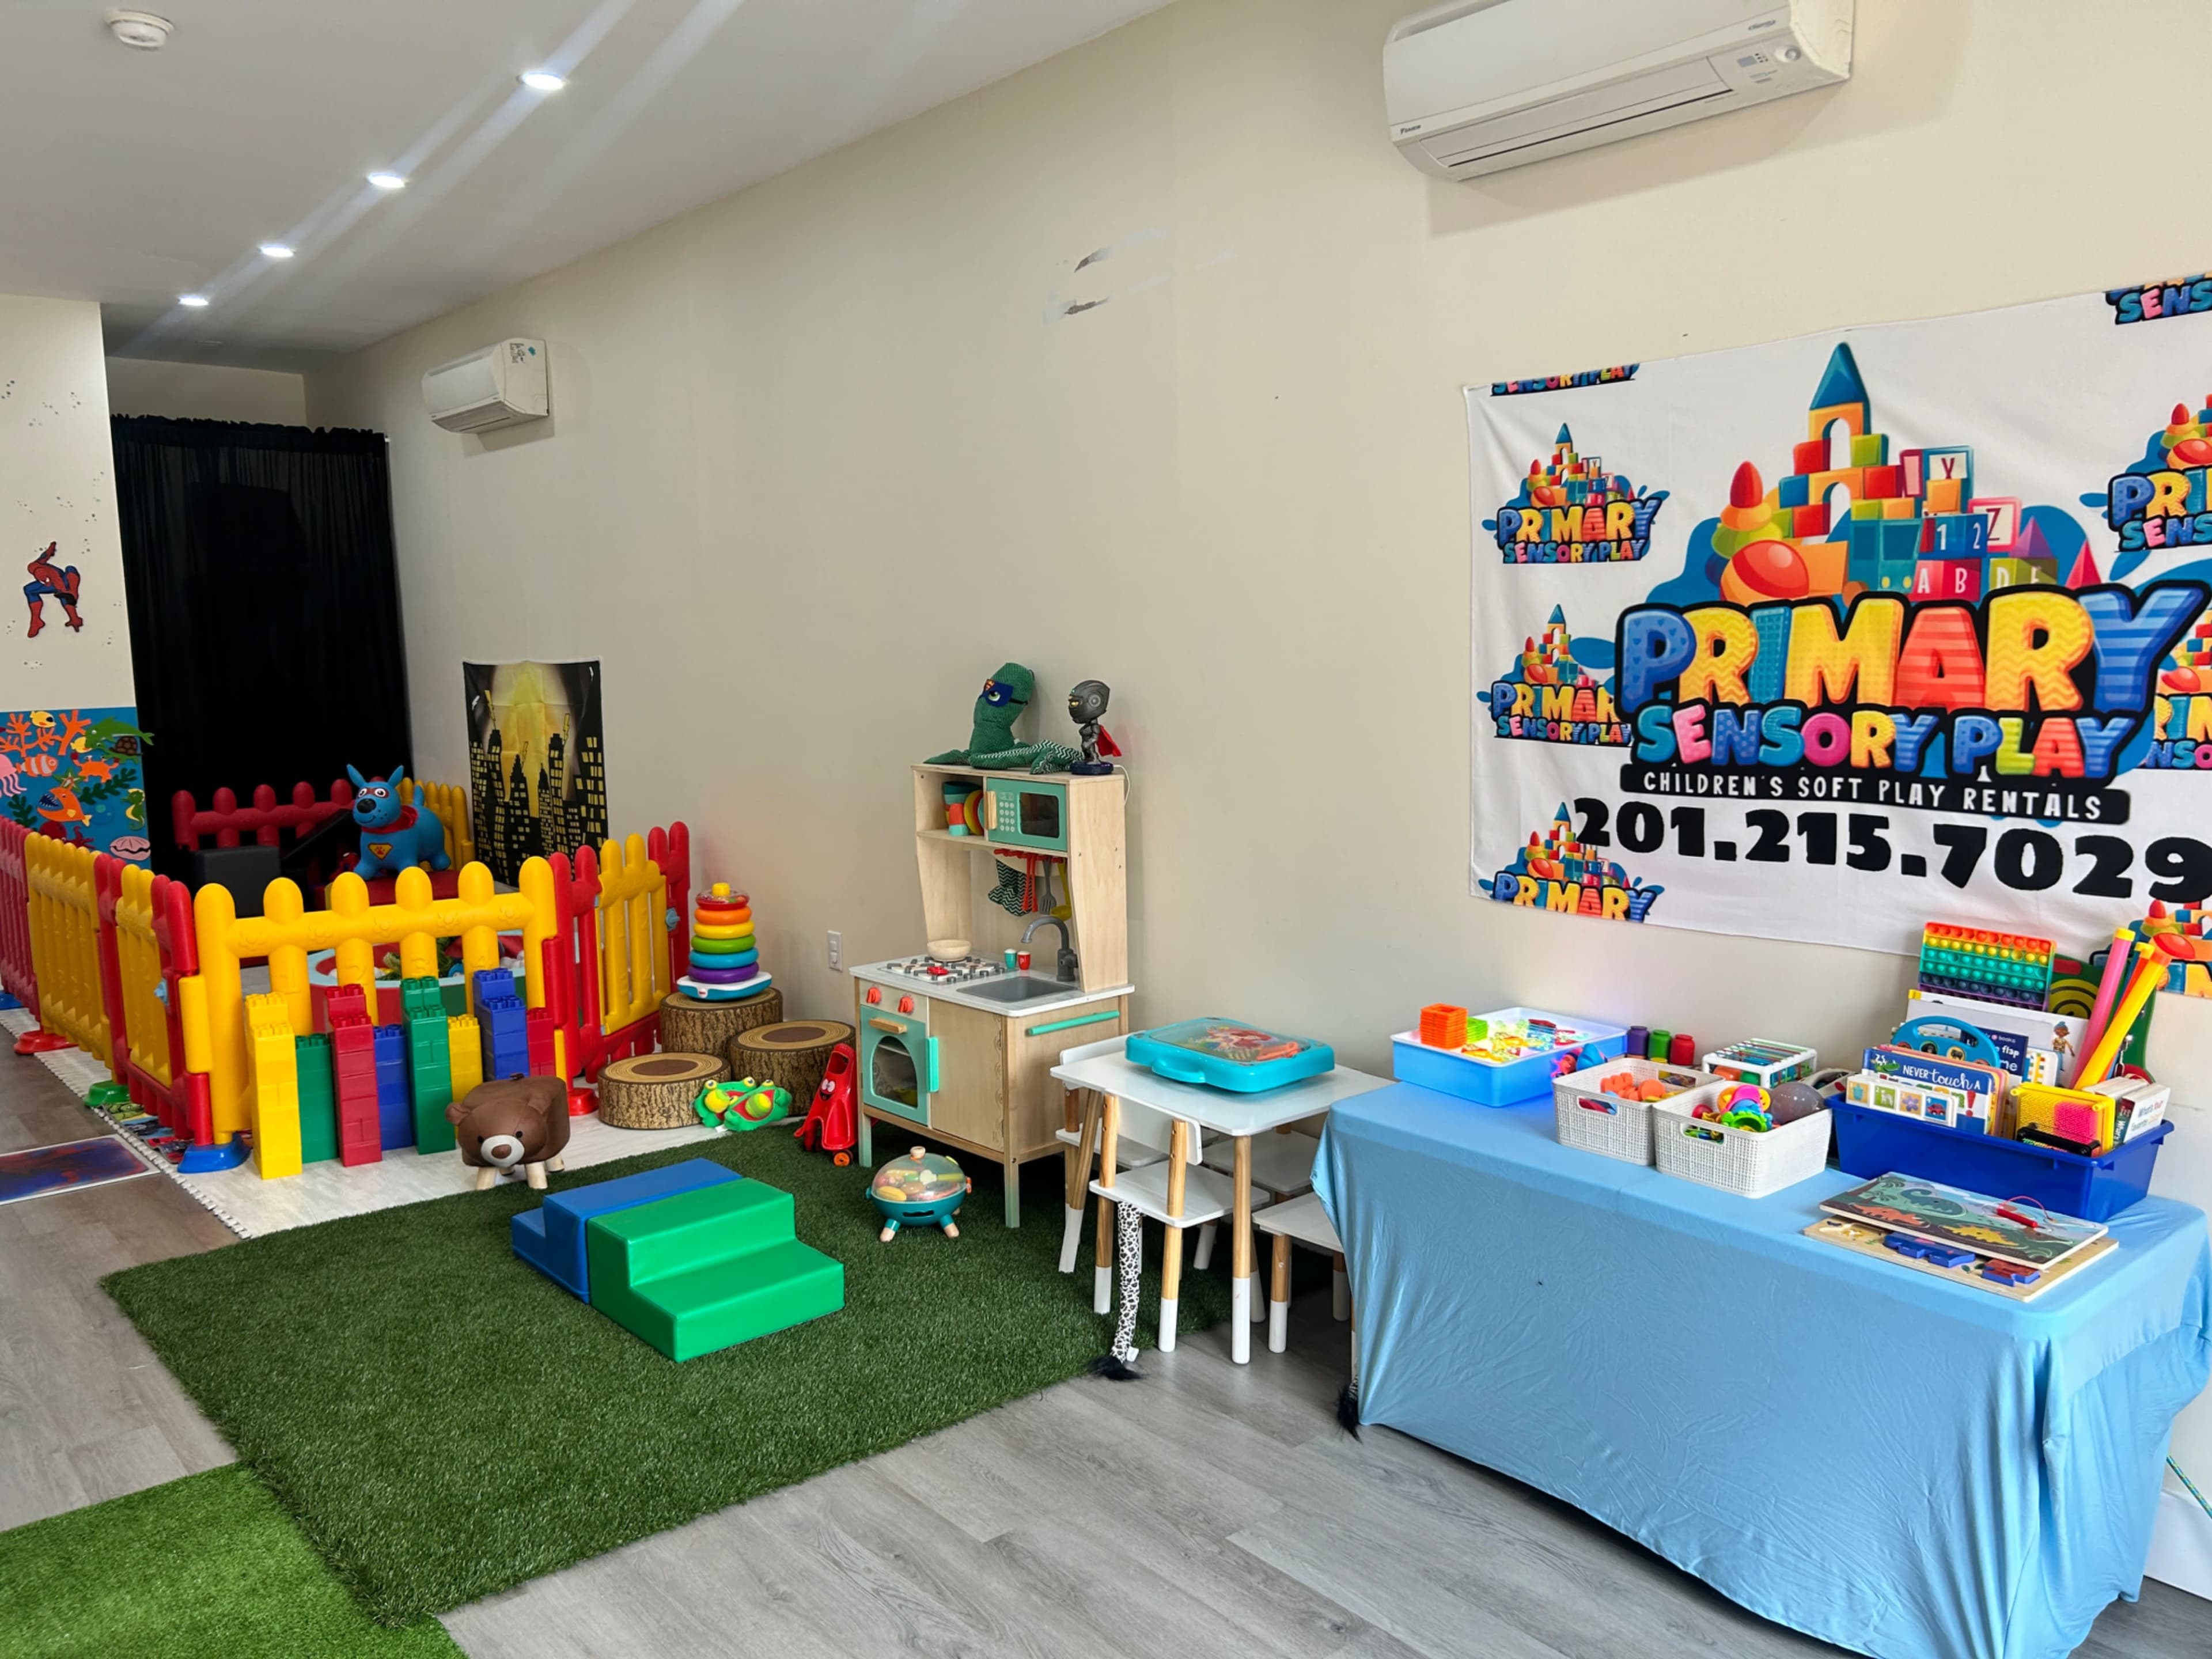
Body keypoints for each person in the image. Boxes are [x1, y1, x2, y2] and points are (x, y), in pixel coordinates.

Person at [24, 543, 82, 637]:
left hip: (64, 581)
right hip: (56, 586)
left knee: (70, 570)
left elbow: (45, 555)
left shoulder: (41, 565)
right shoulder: (34, 567)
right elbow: (44, 557)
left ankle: (74, 615)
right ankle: (36, 620)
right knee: (28, 589)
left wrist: (51, 548)